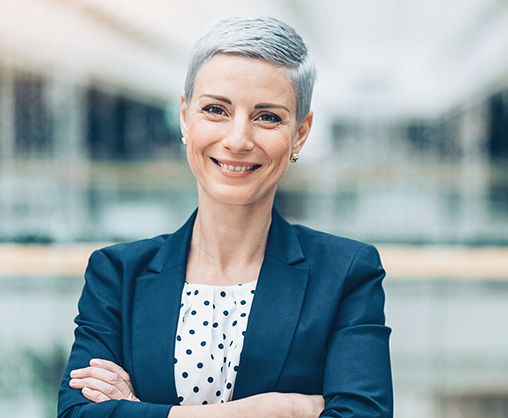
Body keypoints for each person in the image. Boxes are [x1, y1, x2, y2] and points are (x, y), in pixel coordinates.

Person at [57, 15, 393, 418]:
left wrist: (138, 410)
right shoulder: (117, 273)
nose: (237, 140)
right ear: (185, 117)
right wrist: (281, 409)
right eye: (216, 109)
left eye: (267, 116)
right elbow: (78, 414)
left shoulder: (345, 273)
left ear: (300, 133)